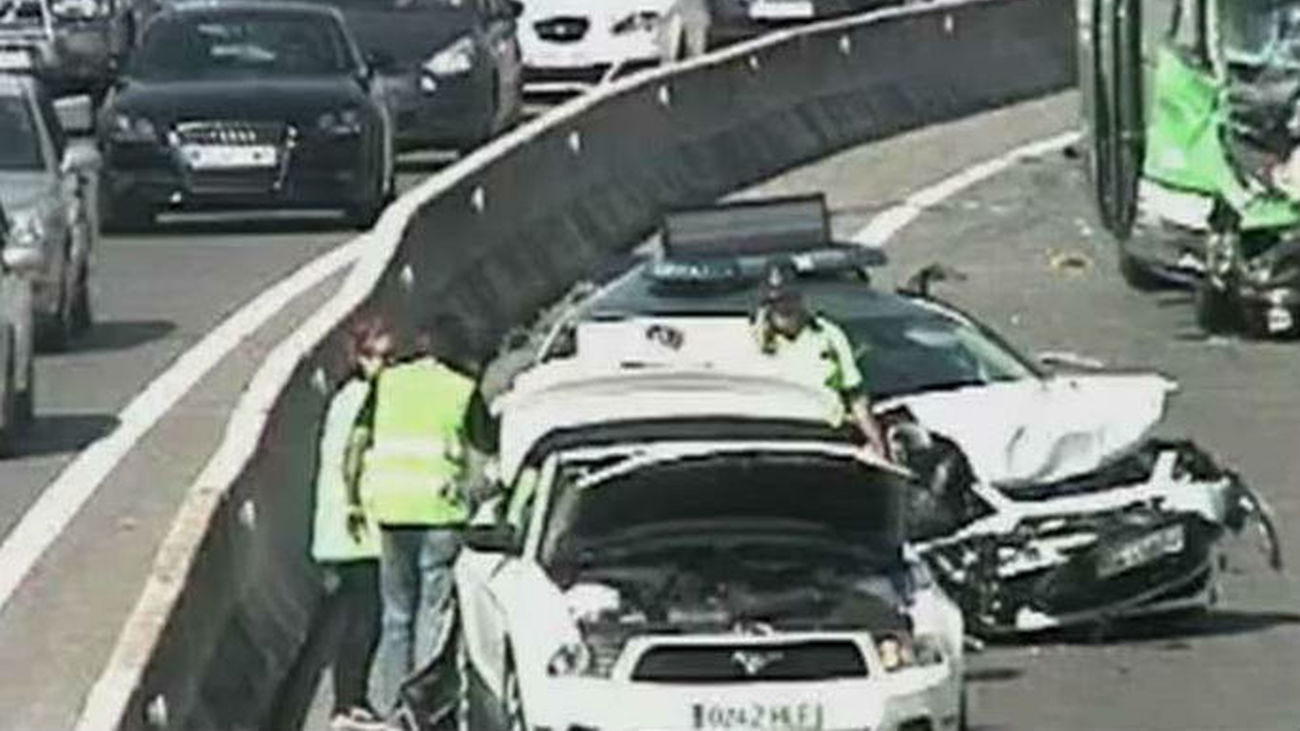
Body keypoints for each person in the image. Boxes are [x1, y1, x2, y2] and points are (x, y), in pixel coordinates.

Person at [348, 322, 487, 717]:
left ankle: (393, 705)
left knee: (396, 615)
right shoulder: (461, 388)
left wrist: (353, 502)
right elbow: (487, 453)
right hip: (442, 513)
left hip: (391, 511)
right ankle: (424, 707)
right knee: (433, 612)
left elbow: (357, 443)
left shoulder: (389, 383)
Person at [311, 315, 390, 731]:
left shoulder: (350, 396)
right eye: (378, 355)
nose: (384, 365)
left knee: (360, 614)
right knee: (365, 615)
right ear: (359, 357)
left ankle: (351, 701)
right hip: (353, 529)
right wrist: (358, 507)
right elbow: (351, 459)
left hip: (346, 527)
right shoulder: (359, 398)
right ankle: (348, 705)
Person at [751, 263, 887, 455]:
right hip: (775, 442)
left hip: (827, 439)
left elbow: (855, 397)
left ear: (800, 297)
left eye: (790, 298)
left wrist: (877, 445)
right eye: (776, 301)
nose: (784, 307)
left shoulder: (828, 334)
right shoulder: (748, 342)